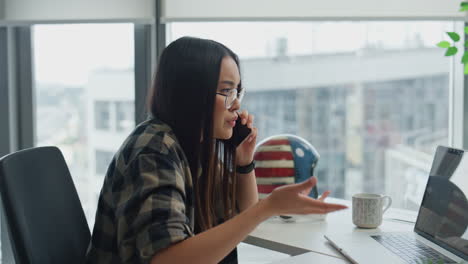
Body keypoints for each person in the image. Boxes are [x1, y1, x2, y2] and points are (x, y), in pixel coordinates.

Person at [85, 36, 347, 264]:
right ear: (191, 94)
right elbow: (168, 259)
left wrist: (243, 163)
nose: (236, 106)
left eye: (237, 92)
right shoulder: (154, 150)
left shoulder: (193, 146)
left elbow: (243, 216)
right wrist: (268, 207)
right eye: (226, 91)